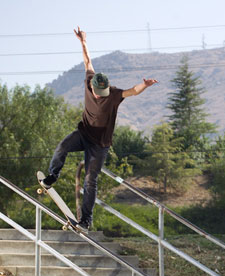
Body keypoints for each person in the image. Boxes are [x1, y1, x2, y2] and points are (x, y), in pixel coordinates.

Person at [42, 27, 158, 230]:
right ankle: (52, 176)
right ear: (92, 86)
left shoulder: (113, 94)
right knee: (62, 147)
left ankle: (86, 220)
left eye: (102, 93)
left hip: (100, 145)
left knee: (89, 180)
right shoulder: (89, 80)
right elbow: (88, 61)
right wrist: (83, 42)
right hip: (84, 133)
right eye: (97, 93)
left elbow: (132, 91)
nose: (99, 96)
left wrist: (145, 86)